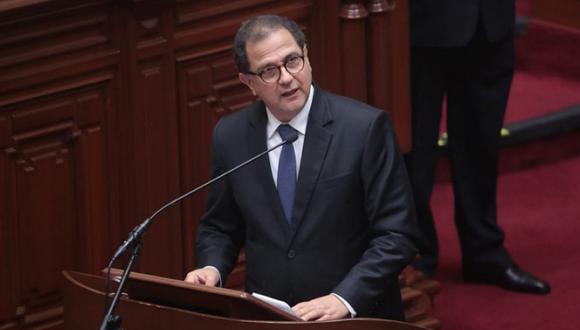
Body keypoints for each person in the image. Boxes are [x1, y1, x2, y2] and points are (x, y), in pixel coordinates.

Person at [185, 15, 419, 321]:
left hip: (355, 318)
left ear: (307, 57)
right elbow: (220, 226)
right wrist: (211, 267)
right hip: (271, 317)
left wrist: (343, 298)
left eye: (293, 60)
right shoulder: (231, 136)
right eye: (269, 70)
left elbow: (397, 234)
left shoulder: (363, 129)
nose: (285, 77)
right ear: (249, 82)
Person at [406, 0, 550, 294]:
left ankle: (484, 252)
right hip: (420, 24)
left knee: (481, 146)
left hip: (490, 21)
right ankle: (416, 260)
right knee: (415, 155)